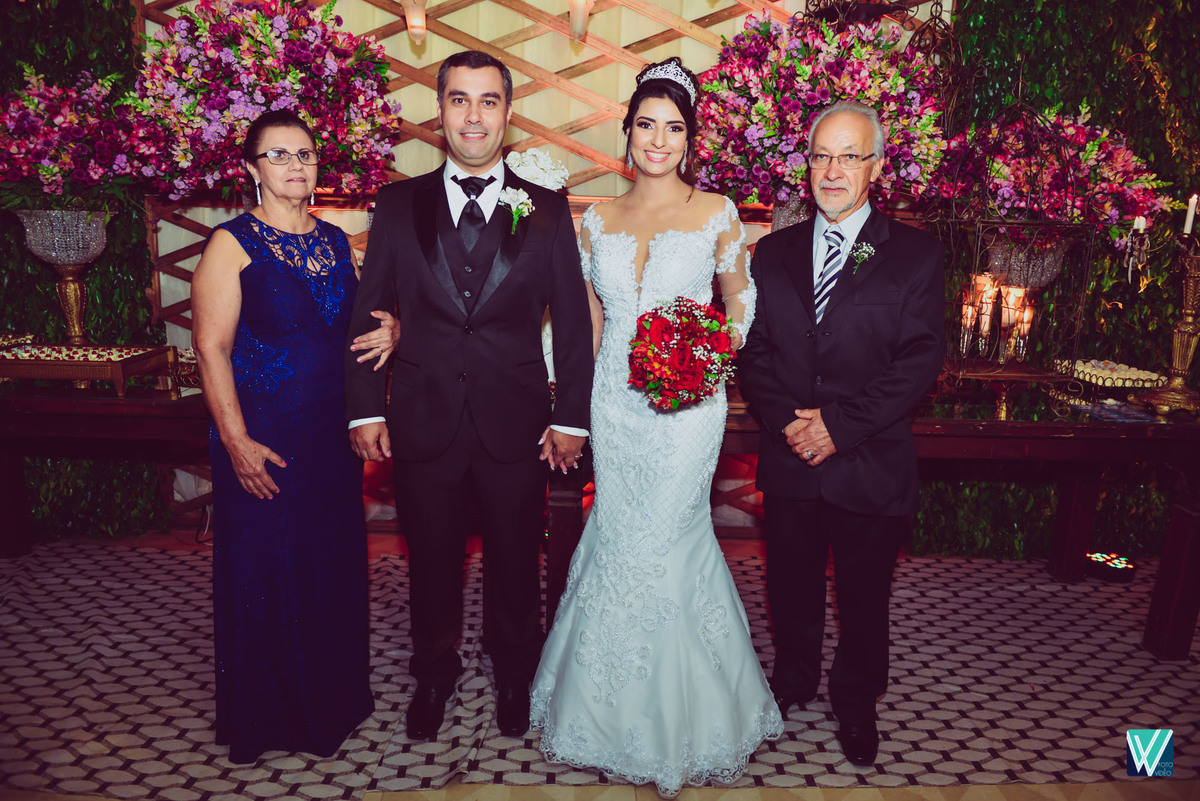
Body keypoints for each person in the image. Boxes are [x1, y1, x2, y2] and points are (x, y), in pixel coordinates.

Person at [530, 58, 782, 797]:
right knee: (616, 532)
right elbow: (587, 321)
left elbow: (740, 298)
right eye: (646, 124)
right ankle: (600, 710)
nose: (658, 139)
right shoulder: (597, 219)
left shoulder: (717, 212)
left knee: (670, 538)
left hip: (685, 409)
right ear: (628, 132)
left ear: (690, 138)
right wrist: (569, 404)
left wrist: (709, 355)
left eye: (673, 127)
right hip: (614, 403)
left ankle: (686, 719)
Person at [344, 50, 594, 743]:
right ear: (440, 111)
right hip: (422, 416)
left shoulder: (546, 208)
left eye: (488, 101)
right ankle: (433, 672)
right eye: (460, 100)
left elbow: (574, 323)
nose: (474, 116)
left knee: (516, 558)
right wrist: (365, 405)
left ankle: (515, 672)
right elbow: (371, 310)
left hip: (517, 419)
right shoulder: (398, 205)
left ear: (508, 113)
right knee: (430, 559)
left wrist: (572, 417)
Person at [737, 101, 945, 767]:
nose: (832, 170)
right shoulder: (772, 253)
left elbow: (918, 361)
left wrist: (837, 427)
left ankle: (856, 699)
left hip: (869, 459)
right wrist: (789, 424)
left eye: (849, 156)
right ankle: (794, 677)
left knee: (864, 595)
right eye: (821, 155)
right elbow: (753, 352)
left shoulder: (915, 254)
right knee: (790, 585)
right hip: (791, 454)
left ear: (876, 167)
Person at [193, 109, 400, 763]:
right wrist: (235, 441)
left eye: (305, 154)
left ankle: (332, 698)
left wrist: (393, 330)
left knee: (326, 566)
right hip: (264, 440)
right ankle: (266, 717)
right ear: (252, 168)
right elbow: (210, 347)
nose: (295, 165)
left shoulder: (336, 242)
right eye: (278, 155)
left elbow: (357, 327)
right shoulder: (231, 243)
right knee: (266, 569)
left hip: (329, 442)